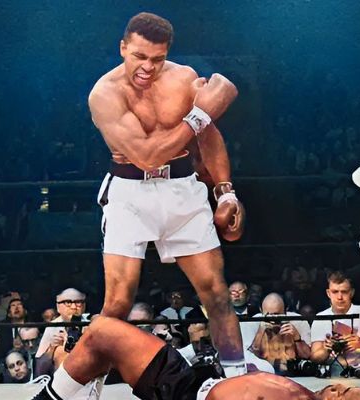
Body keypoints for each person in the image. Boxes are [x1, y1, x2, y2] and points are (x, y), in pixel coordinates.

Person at [89, 11, 246, 377]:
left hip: (183, 190)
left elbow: (209, 137)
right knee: (116, 304)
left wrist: (224, 192)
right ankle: (78, 388)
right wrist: (199, 114)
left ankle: (238, 383)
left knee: (217, 294)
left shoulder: (184, 78)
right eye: (139, 57)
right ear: (123, 47)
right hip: (130, 193)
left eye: (157, 59)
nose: (147, 67)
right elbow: (146, 155)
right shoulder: (105, 94)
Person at [29, 316, 360, 400]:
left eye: (345, 396)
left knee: (104, 332)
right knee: (101, 339)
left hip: (184, 391)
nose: (337, 387)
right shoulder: (303, 396)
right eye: (344, 387)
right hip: (193, 380)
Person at [310, 271, 360, 377]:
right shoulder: (320, 318)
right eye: (335, 292)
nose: (339, 297)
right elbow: (315, 358)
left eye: (344, 292)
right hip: (331, 379)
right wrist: (327, 349)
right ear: (328, 293)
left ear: (351, 292)